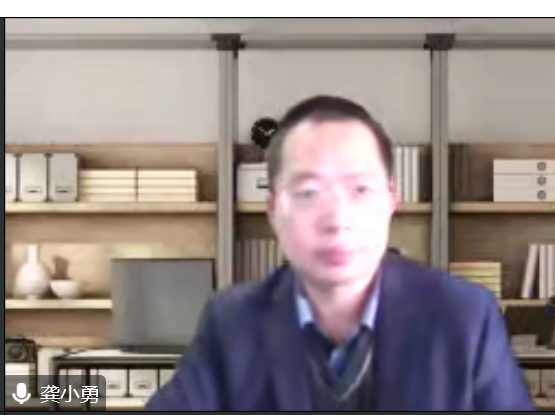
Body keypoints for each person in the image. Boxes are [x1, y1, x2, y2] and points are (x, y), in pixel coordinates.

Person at [145, 95, 535, 411]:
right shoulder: (232, 323)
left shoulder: (464, 319)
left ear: (391, 200)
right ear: (274, 209)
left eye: (360, 190)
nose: (337, 219)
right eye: (308, 193)